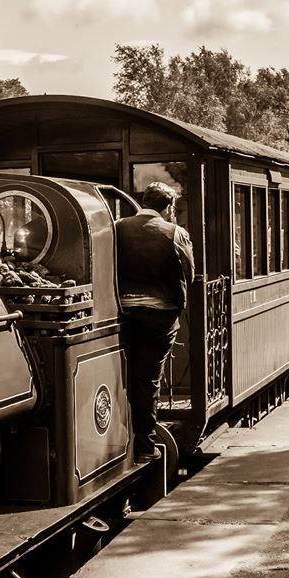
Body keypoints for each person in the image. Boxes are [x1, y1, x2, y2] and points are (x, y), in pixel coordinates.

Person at [114, 182, 194, 463]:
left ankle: (115, 439)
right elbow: (189, 272)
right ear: (169, 207)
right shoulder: (176, 233)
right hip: (159, 316)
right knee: (147, 381)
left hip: (121, 314)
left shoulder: (117, 227)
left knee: (120, 377)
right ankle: (145, 447)